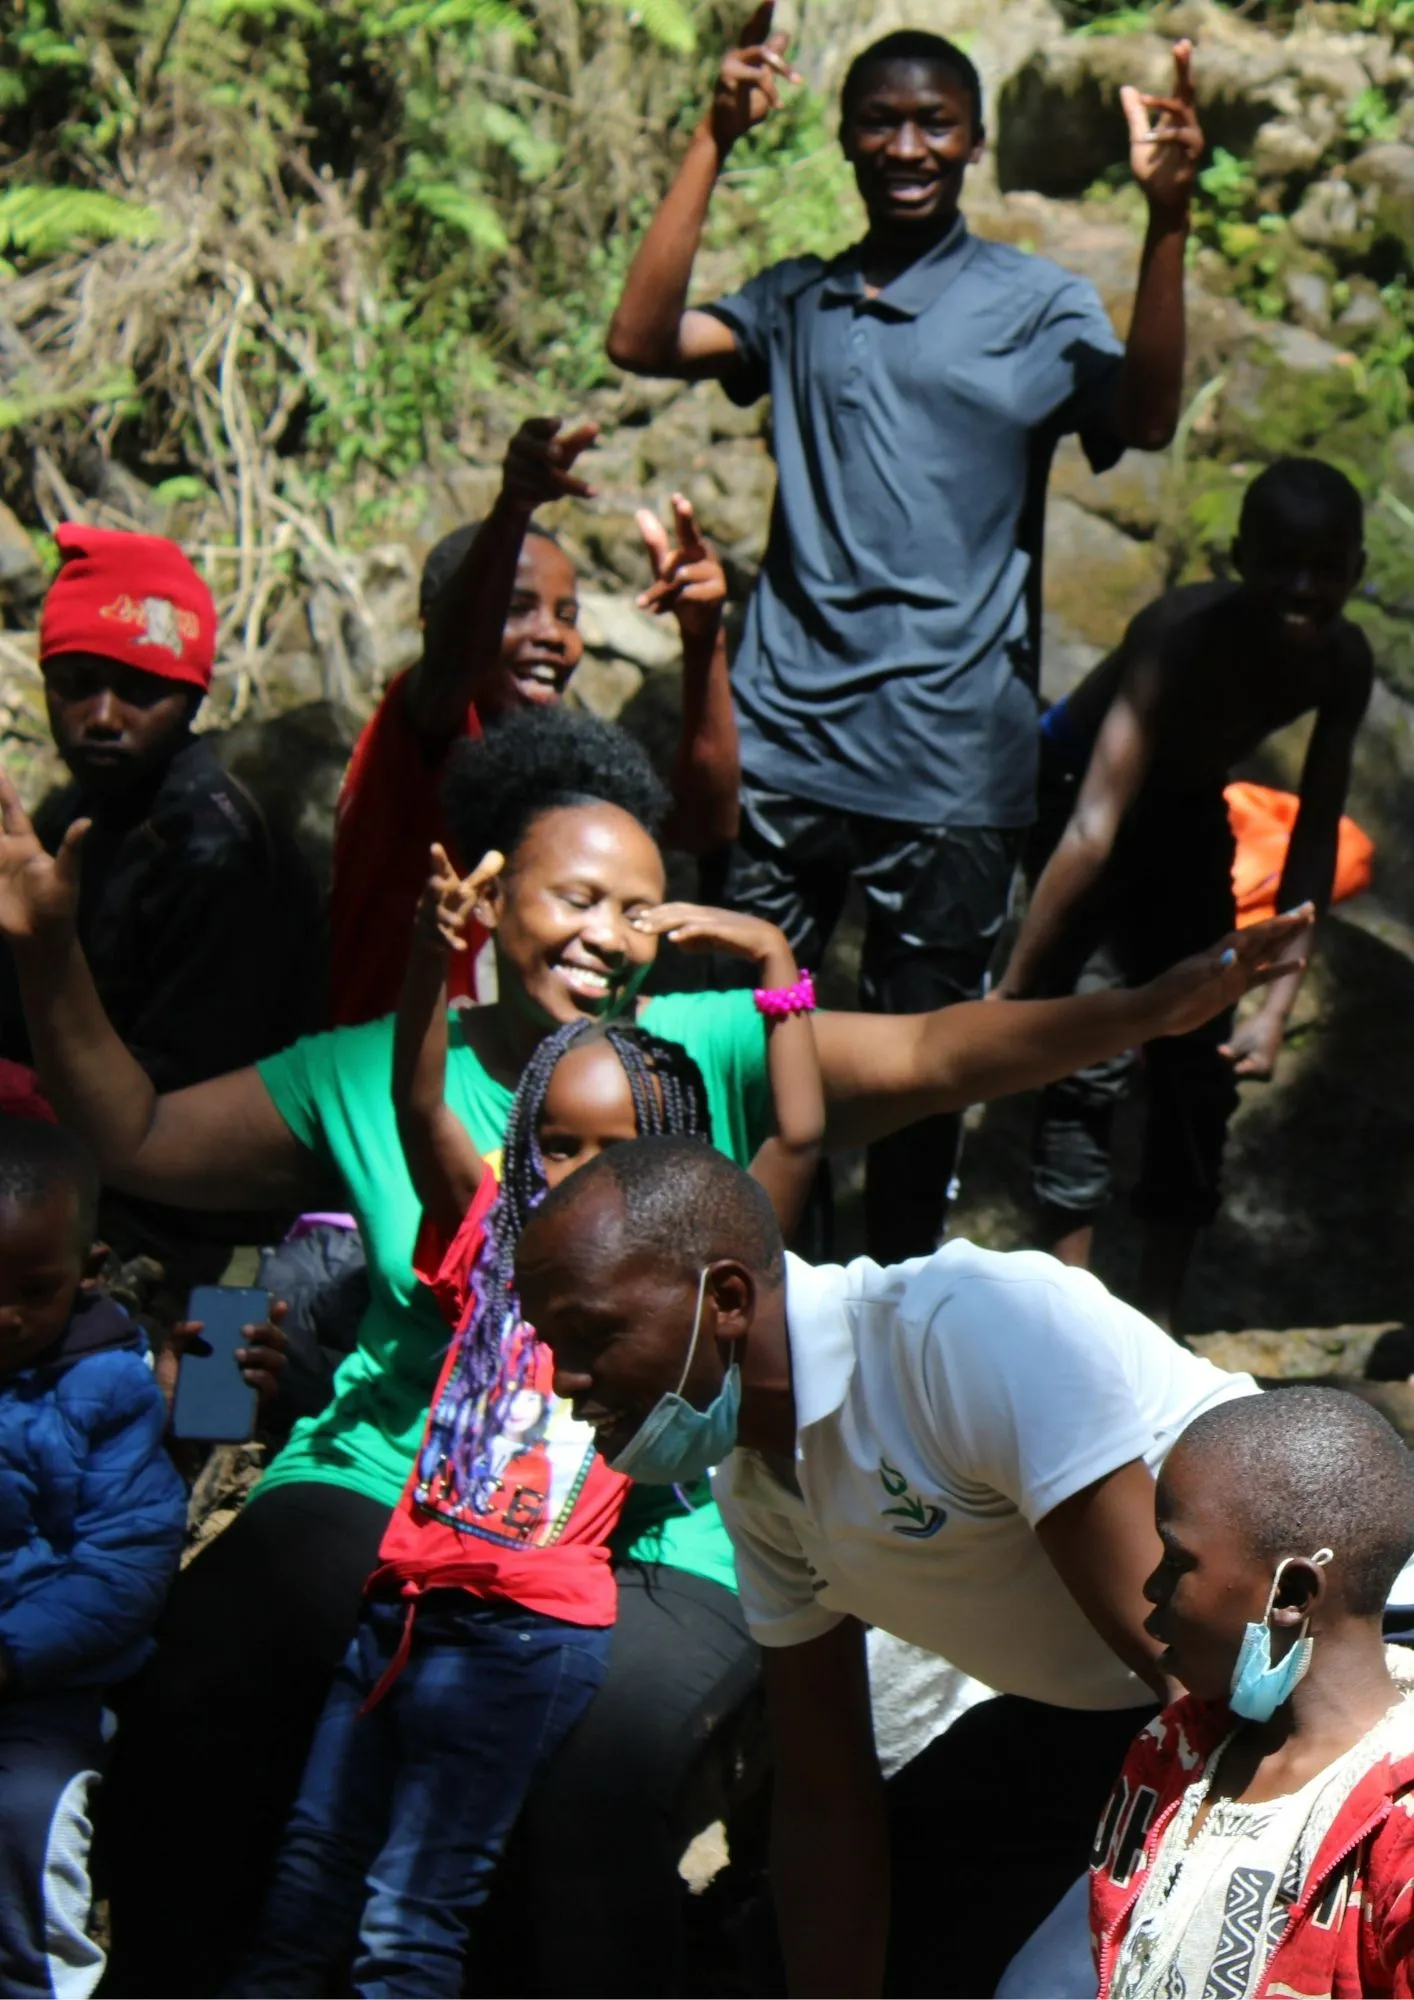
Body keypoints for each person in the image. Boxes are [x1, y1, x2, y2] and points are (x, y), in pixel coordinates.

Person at [0, 703, 1302, 1996]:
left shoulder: (714, 1074)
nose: (607, 936)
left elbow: (917, 1057)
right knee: (224, 1687)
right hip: (399, 1496)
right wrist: (60, 950)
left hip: (665, 1536)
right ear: (492, 895)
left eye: (638, 909)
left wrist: (1147, 1008)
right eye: (575, 896)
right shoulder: (396, 1084)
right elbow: (150, 1136)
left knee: (584, 1797)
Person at [606, 10, 1203, 1262]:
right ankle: (751, 1336)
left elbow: (1143, 416)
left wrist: (1167, 218)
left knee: (923, 1083)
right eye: (880, 120)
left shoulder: (1036, 307)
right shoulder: (798, 302)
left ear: (975, 141)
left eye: (934, 121)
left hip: (949, 765)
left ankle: (892, 1356)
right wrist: (712, 136)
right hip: (785, 748)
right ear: (842, 138)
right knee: (747, 1059)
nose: (907, 144)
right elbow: (640, 339)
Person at [234, 833, 821, 1995]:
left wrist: (776, 961)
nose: (577, 1172)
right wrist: (426, 959)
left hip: (526, 1632)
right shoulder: (488, 1242)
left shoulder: (685, 1288)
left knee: (411, 1914)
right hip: (400, 1604)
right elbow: (414, 1093)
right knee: (307, 1881)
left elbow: (797, 1137)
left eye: (617, 1149)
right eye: (555, 1142)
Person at [513, 1135, 1266, 1998]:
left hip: (1291, 1682)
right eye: (546, 1341)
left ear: (724, 1298)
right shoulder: (754, 1484)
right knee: (801, 1949)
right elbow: (826, 1794)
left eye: (590, 1333)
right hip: (1110, 1716)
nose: (564, 1380)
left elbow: (1196, 1681)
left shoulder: (963, 1331)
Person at [994, 458, 1373, 1329]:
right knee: (1090, 1034)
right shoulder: (1177, 637)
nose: (1301, 589)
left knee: (1199, 1057)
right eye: (1280, 561)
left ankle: (1161, 1317)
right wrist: (1018, 987)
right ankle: (1070, 1308)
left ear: (1357, 571)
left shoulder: (1342, 662)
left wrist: (1275, 1004)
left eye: (1325, 569)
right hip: (1076, 789)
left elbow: (1317, 830)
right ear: (1240, 555)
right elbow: (1092, 826)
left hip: (1185, 806)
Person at [0, 523, 324, 1305]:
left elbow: (188, 1088)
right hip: (87, 1187)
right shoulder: (72, 814)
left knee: (194, 1415)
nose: (104, 715)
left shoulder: (219, 847)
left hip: (211, 1242)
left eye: (139, 689)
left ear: (193, 695)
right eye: (77, 682)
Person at [328, 416, 739, 1026]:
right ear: (435, 621)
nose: (552, 635)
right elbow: (455, 658)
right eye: (517, 609)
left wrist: (704, 641)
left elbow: (701, 828)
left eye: (567, 615)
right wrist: (514, 505)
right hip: (382, 1081)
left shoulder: (554, 763)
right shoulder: (421, 729)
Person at [1092, 1387, 1414, 1998]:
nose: (1150, 1588)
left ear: (1291, 1595)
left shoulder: (1399, 1831)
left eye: (1176, 1561)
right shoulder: (1171, 1755)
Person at [0, 1115, 187, 1998]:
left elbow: (122, 1570)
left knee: (28, 1821)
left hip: (38, 1686)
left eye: (31, 1290)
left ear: (86, 1272)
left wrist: (11, 1655)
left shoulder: (107, 1393)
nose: (4, 1314)